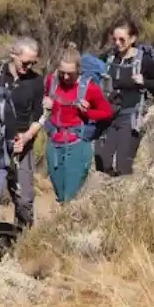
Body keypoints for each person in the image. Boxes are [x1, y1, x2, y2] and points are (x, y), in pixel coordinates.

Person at [0, 37, 47, 231]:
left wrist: (26, 137)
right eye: (25, 62)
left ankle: (24, 237)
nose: (28, 67)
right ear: (13, 55)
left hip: (21, 143)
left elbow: (39, 116)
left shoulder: (36, 81)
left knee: (24, 197)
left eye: (32, 63)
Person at [97, 20, 154, 177]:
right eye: (114, 39)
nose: (117, 43)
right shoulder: (109, 57)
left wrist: (145, 82)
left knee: (123, 164)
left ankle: (125, 190)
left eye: (122, 39)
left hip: (130, 116)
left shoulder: (143, 60)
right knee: (103, 161)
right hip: (109, 115)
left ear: (133, 38)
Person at [42, 48, 114, 204]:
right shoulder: (52, 81)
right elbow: (47, 100)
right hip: (54, 143)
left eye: (70, 73)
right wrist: (46, 103)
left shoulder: (89, 88)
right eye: (62, 73)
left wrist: (87, 112)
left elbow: (107, 113)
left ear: (79, 70)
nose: (65, 77)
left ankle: (68, 219)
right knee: (60, 194)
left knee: (71, 197)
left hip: (77, 145)